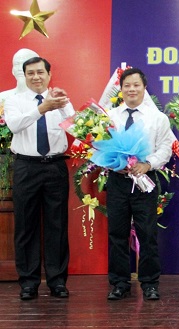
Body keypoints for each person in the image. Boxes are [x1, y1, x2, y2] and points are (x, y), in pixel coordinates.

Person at [4, 57, 74, 300]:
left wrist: (63, 106)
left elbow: (75, 127)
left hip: (55, 167)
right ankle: (28, 282)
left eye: (40, 72)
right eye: (30, 73)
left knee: (57, 225)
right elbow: (13, 125)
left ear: (49, 74)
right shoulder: (14, 100)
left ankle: (57, 281)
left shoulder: (61, 98)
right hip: (26, 167)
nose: (36, 76)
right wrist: (41, 108)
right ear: (24, 76)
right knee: (25, 226)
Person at [105, 68, 176, 301]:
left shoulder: (158, 118)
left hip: (145, 181)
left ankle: (149, 283)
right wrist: (114, 163)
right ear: (121, 89)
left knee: (147, 234)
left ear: (144, 88)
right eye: (127, 85)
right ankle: (119, 283)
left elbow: (166, 147)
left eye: (136, 85)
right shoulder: (110, 116)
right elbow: (99, 144)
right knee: (117, 233)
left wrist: (148, 164)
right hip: (117, 181)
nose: (132, 89)